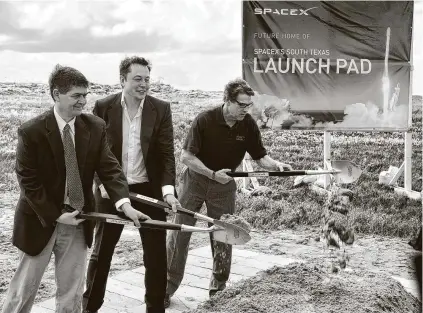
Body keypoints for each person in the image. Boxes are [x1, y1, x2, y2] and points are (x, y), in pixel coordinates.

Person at [1, 65, 147, 313]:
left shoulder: (95, 127)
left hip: (79, 220)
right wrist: (56, 215)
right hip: (41, 219)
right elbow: (28, 181)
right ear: (57, 95)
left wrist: (125, 205)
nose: (83, 101)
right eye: (76, 96)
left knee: (71, 292)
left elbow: (109, 169)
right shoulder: (31, 131)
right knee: (24, 290)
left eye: (85, 95)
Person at [165, 78, 293, 308]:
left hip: (224, 186)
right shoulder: (205, 119)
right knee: (179, 233)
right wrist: (212, 173)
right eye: (242, 105)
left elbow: (260, 157)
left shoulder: (248, 125)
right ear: (227, 101)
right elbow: (185, 157)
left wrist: (277, 165)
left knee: (224, 235)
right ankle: (165, 288)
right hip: (195, 180)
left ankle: (218, 291)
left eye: (249, 105)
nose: (247, 109)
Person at [83, 56, 181, 313]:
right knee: (101, 254)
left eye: (147, 79)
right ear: (122, 80)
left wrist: (168, 192)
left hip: (148, 188)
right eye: (137, 79)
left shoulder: (161, 108)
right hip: (110, 187)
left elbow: (166, 155)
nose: (144, 84)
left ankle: (155, 309)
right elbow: (92, 152)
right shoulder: (103, 107)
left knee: (156, 257)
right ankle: (89, 307)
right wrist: (102, 184)